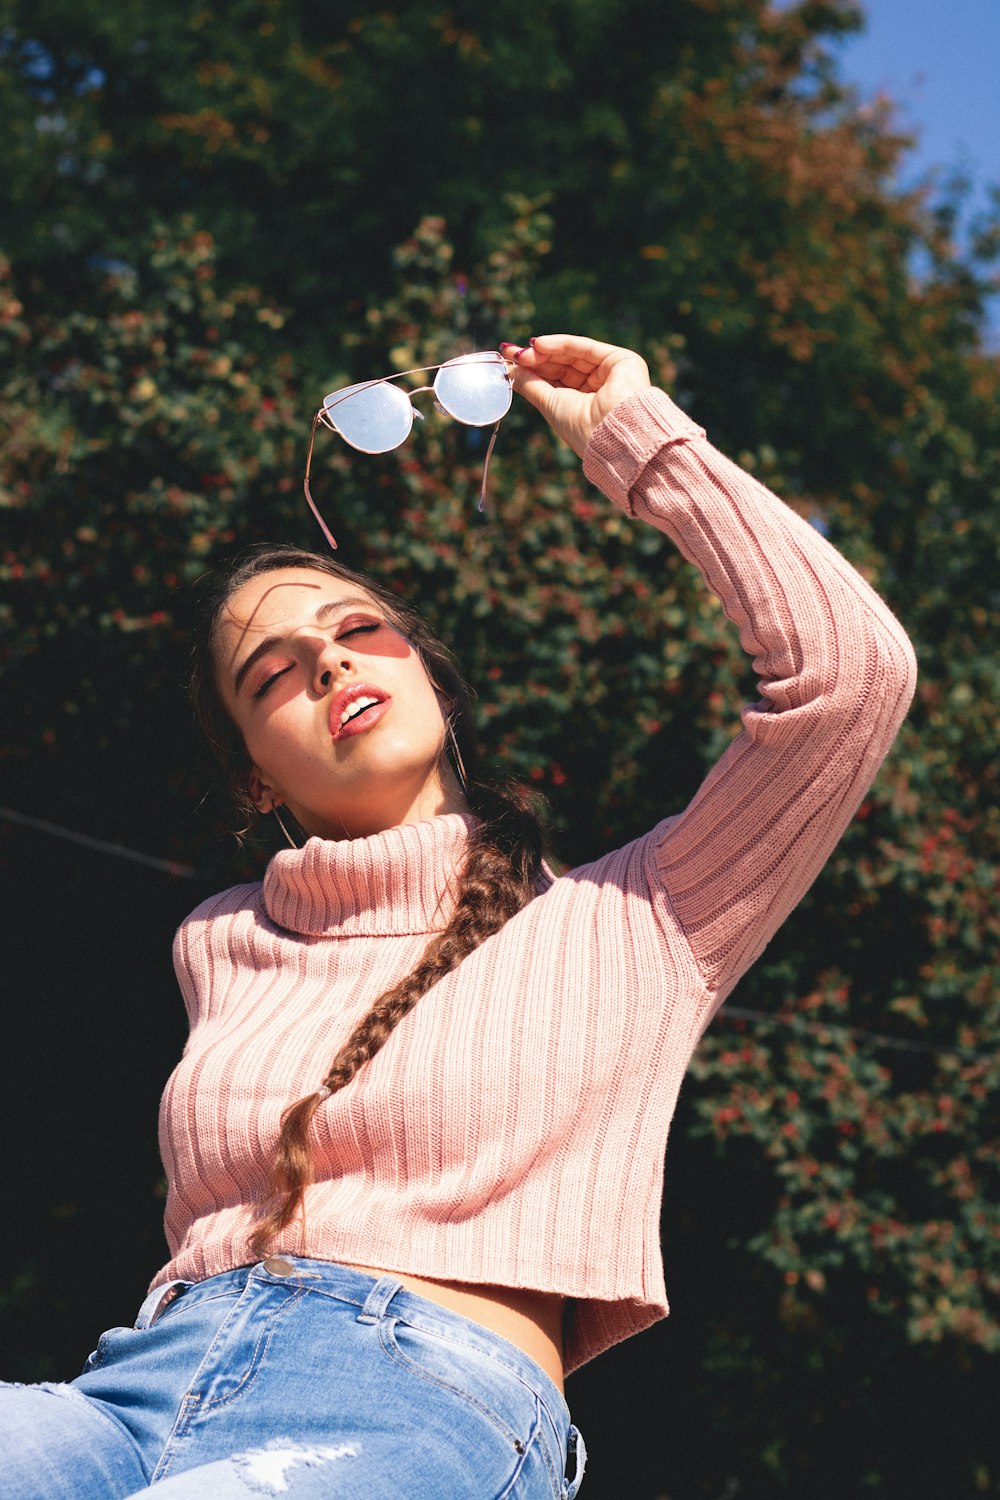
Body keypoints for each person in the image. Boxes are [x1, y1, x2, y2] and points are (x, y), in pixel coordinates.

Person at [0, 334, 917, 1497]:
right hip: (135, 1390)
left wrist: (637, 441)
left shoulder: (637, 918)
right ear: (254, 780)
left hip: (412, 1403)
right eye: (272, 674)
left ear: (425, 669)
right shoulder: (222, 946)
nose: (328, 664)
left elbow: (851, 680)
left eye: (355, 630)